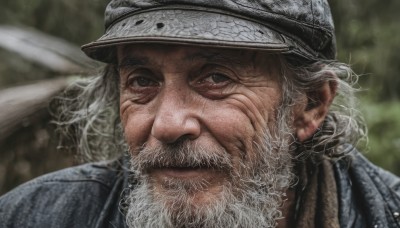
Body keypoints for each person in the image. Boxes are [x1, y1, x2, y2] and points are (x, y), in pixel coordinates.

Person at [1, 0, 400, 227]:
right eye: (142, 81)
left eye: (215, 77)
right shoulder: (34, 217)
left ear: (310, 104)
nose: (168, 124)